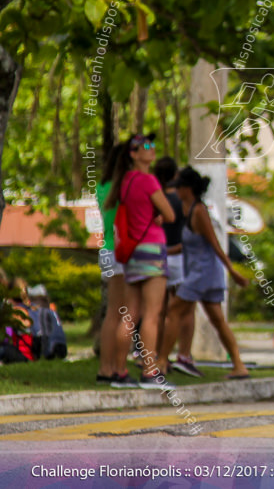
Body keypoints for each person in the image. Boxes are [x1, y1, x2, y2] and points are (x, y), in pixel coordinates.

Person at [155, 167, 250, 380]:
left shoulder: (199, 211)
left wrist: (232, 271)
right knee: (217, 319)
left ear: (188, 189)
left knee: (173, 311)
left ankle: (161, 360)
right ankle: (239, 365)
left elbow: (214, 244)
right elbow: (189, 245)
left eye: (179, 187)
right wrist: (164, 251)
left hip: (203, 273)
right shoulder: (188, 210)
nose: (176, 191)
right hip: (201, 272)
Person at [104, 133, 176, 389]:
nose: (151, 149)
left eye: (152, 144)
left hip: (132, 252)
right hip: (153, 250)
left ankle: (120, 371)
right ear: (133, 154)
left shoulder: (125, 181)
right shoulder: (148, 180)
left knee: (129, 315)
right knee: (152, 315)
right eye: (145, 146)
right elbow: (169, 213)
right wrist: (158, 215)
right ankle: (149, 371)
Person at [95, 142, 139, 387]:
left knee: (112, 312)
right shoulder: (125, 187)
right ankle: (115, 368)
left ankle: (105, 367)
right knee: (125, 313)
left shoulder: (102, 186)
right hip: (122, 251)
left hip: (106, 249)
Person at [153, 157, 200, 378]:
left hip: (159, 256)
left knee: (160, 310)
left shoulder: (155, 197)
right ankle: (183, 354)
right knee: (184, 310)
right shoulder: (183, 201)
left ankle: (156, 355)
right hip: (180, 258)